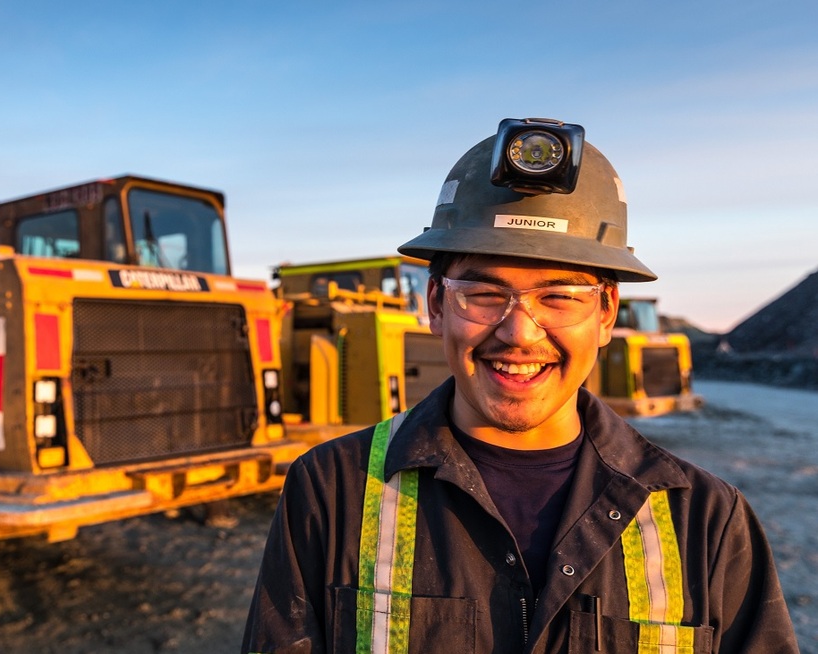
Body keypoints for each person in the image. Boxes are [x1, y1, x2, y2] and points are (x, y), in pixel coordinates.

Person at [243, 118, 799, 653]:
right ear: (436, 305)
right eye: (483, 294)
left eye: (558, 296)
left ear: (606, 314)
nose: (518, 332)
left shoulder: (706, 520)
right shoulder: (330, 492)